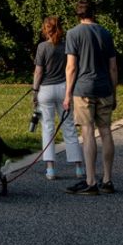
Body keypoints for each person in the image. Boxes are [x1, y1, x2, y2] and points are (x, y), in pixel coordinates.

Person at [62, 0, 118, 196]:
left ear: (78, 15)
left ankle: (91, 180)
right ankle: (108, 179)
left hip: (83, 89)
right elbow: (113, 67)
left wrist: (67, 94)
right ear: (94, 13)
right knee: (105, 131)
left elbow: (71, 67)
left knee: (87, 132)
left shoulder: (73, 34)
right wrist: (114, 91)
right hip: (104, 88)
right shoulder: (106, 33)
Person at [32, 15, 85, 181]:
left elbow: (39, 71)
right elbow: (72, 67)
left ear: (45, 30)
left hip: (46, 90)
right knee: (69, 126)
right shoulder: (66, 46)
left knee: (47, 127)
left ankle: (50, 169)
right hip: (63, 88)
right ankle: (78, 168)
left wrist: (34, 91)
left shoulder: (42, 47)